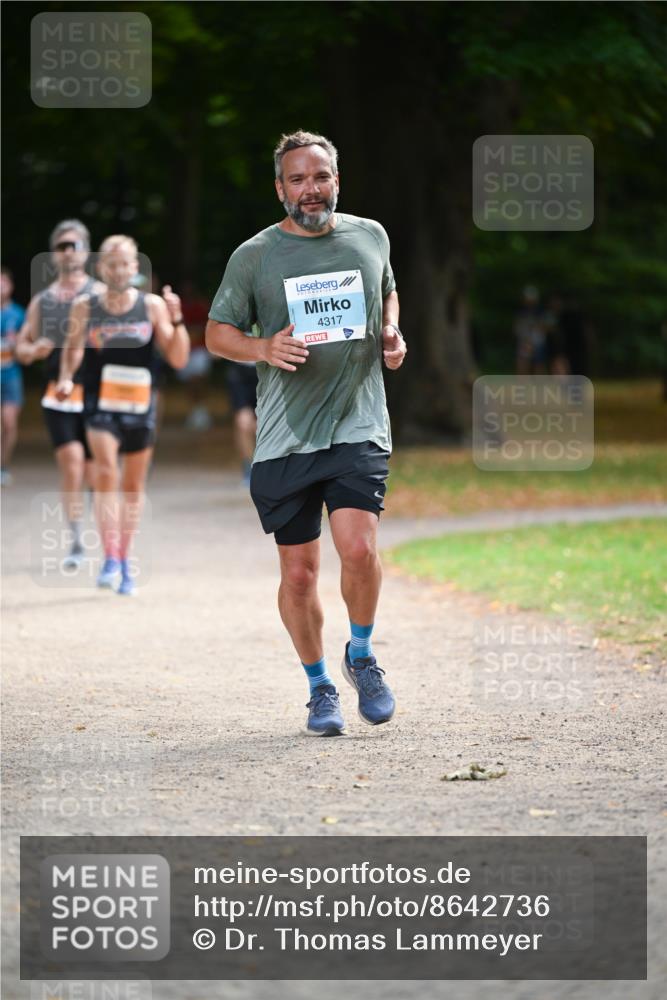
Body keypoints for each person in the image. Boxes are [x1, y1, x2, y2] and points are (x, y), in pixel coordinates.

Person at [206, 130, 407, 736]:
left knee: (359, 549)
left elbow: (389, 292)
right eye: (297, 179)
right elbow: (217, 334)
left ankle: (363, 654)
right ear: (280, 188)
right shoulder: (255, 256)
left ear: (336, 180)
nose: (310, 189)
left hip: (358, 422)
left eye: (320, 177)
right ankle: (320, 686)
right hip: (286, 436)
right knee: (298, 575)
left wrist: (393, 335)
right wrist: (263, 346)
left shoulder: (370, 235)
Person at [55, 235, 190, 595]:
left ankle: (124, 557)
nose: (117, 270)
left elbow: (178, 359)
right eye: (111, 264)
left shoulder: (152, 306)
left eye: (125, 263)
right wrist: (67, 378)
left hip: (141, 405)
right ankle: (110, 557)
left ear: (135, 268)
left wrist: (177, 321)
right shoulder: (86, 305)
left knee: (132, 486)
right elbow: (72, 349)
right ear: (101, 268)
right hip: (100, 401)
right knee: (105, 472)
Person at [15, 220, 104, 566]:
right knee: (71, 464)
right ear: (54, 255)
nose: (68, 252)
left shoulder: (101, 295)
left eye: (74, 245)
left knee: (97, 470)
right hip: (59, 392)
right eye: (62, 246)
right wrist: (33, 350)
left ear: (85, 252)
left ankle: (104, 539)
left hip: (97, 390)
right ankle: (77, 542)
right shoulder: (43, 301)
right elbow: (20, 348)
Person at [0, 267, 26, 486]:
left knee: (8, 422)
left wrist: (19, 343)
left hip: (10, 376)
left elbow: (27, 349)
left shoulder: (18, 314)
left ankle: (3, 466)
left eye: (3, 282)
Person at [226, 358, 258, 482]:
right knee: (243, 423)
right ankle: (249, 466)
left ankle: (264, 465)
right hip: (241, 371)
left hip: (270, 369)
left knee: (263, 425)